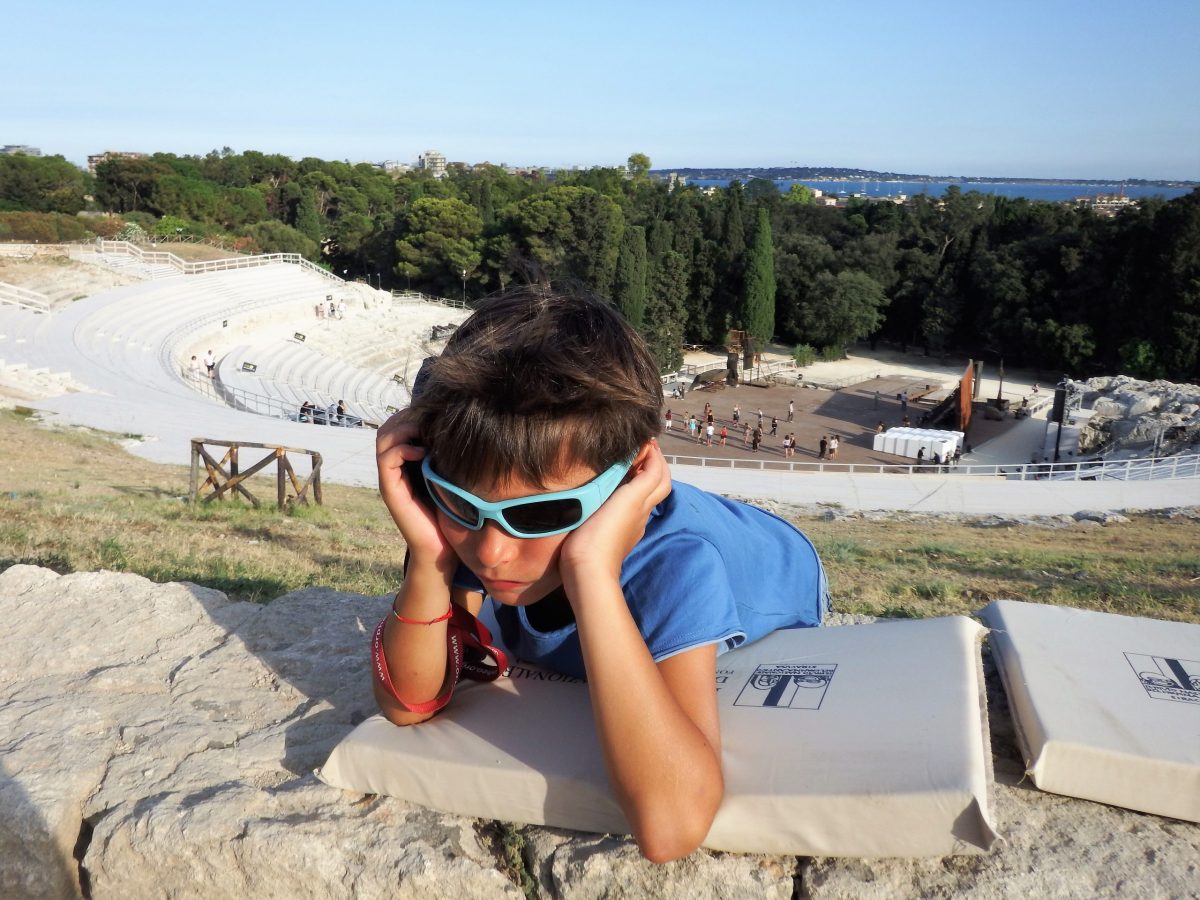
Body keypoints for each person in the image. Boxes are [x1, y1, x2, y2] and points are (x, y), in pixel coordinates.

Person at [373, 285, 827, 863]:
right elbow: (409, 703)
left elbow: (671, 825)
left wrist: (591, 569)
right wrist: (430, 549)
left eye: (541, 515)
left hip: (782, 574)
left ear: (628, 477)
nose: (490, 553)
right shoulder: (463, 522)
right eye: (460, 502)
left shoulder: (677, 562)